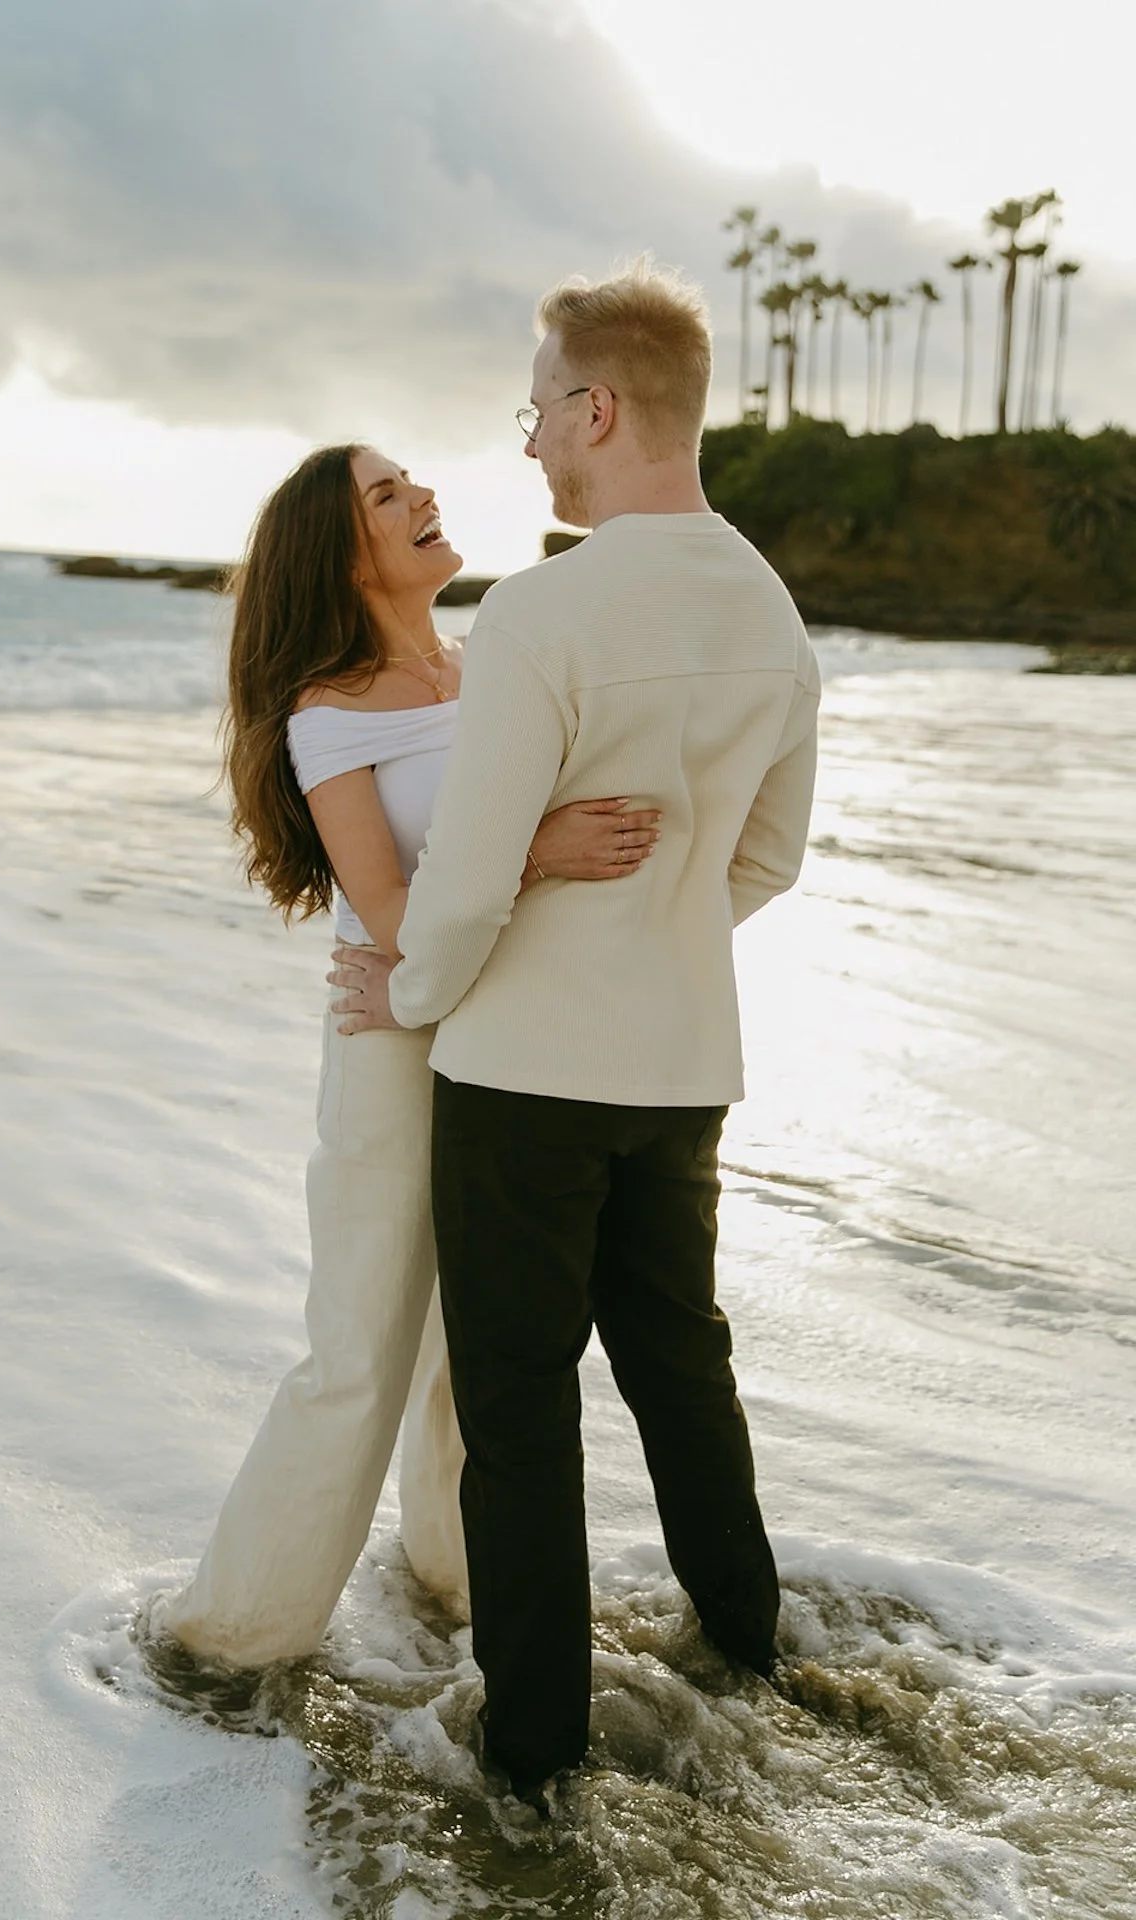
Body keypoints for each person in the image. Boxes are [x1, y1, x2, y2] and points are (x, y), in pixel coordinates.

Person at [329, 259, 821, 1796]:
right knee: (685, 1367)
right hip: (683, 1069)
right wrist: (656, 929)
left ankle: (535, 1763)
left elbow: (466, 888)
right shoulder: (774, 610)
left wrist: (407, 993)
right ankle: (755, 1645)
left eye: (541, 407)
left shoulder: (540, 608)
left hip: (524, 1074)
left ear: (599, 409)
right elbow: (768, 860)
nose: (531, 439)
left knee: (522, 1413)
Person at [149, 444, 661, 1668]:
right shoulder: (328, 708)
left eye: (413, 481)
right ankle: (230, 1636)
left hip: (496, 1028)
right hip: (387, 1042)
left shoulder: (488, 665)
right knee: (361, 1349)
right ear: (343, 554)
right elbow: (384, 913)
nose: (423, 496)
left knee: (467, 1346)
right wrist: (536, 850)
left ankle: (459, 1578)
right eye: (388, 495)